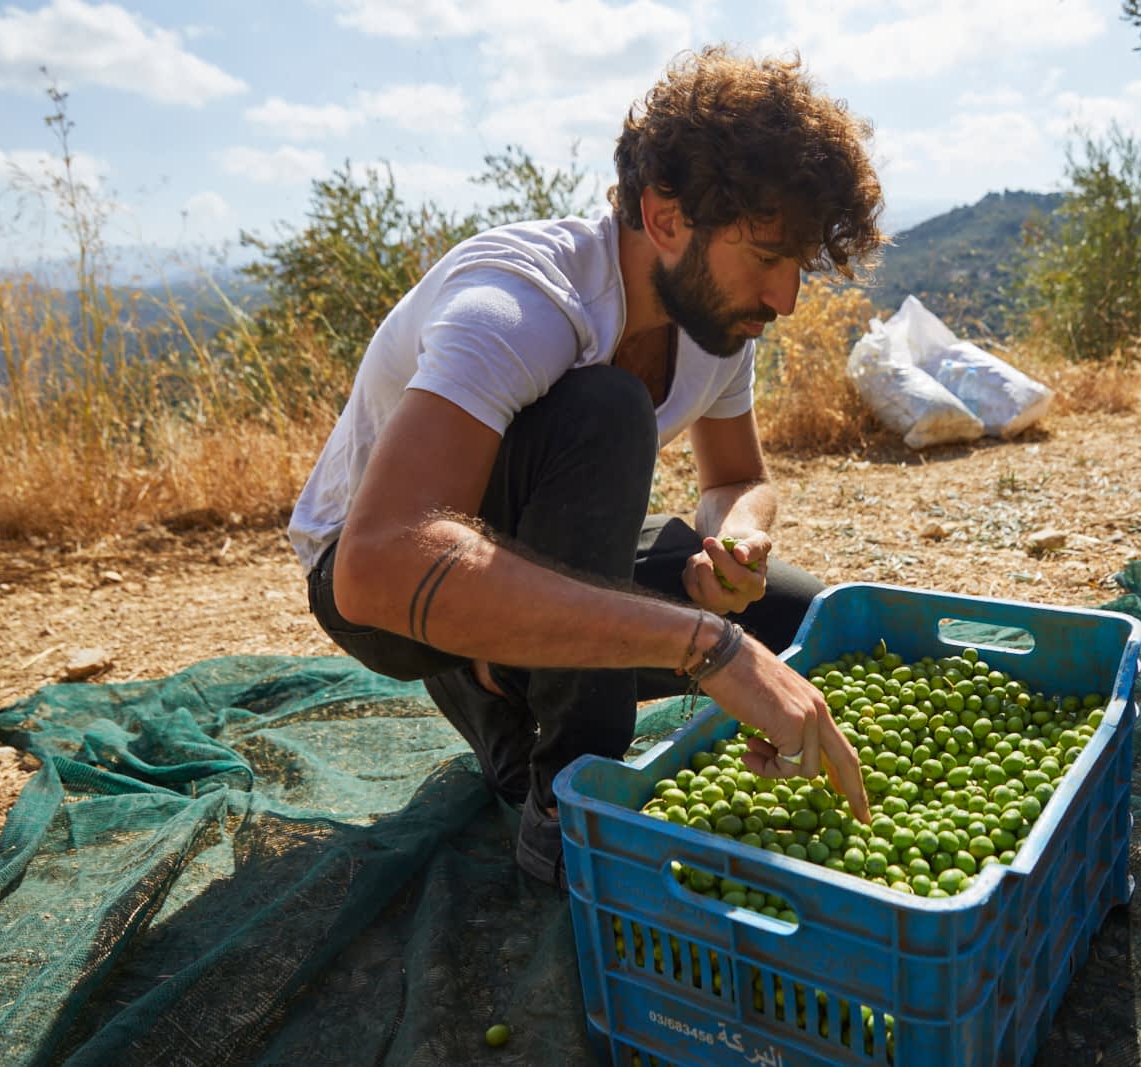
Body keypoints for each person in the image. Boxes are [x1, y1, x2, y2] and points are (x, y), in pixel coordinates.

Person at [287, 45, 883, 889]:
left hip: (537, 537)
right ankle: (568, 807)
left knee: (800, 621)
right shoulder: (521, 302)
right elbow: (377, 566)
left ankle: (501, 668)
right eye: (766, 256)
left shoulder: (713, 319)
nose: (785, 298)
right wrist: (710, 646)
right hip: (370, 571)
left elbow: (734, 480)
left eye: (799, 266)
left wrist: (737, 542)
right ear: (666, 217)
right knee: (606, 413)